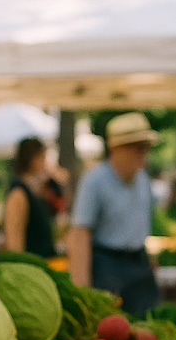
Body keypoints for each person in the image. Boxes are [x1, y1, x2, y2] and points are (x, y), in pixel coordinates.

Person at [67, 112, 159, 316]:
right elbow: (80, 234)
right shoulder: (94, 181)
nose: (143, 153)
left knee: (147, 323)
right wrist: (81, 288)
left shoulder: (142, 179)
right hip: (108, 265)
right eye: (138, 147)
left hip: (139, 262)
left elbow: (139, 222)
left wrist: (148, 258)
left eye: (146, 147)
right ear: (116, 148)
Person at [2, 138, 56, 258]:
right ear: (32, 159)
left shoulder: (34, 190)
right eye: (43, 158)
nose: (45, 163)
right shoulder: (18, 193)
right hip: (32, 265)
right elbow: (14, 240)